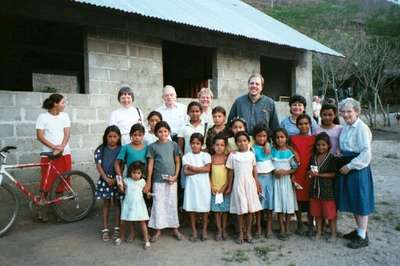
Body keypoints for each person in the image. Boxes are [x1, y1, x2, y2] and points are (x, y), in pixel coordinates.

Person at [336, 98, 374, 249]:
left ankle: (363, 236)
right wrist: (340, 152)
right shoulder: (346, 127)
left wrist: (350, 166)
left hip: (357, 167)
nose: (345, 115)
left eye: (349, 111)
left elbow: (366, 153)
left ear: (357, 112)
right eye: (343, 112)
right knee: (353, 200)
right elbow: (344, 145)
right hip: (346, 164)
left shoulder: (362, 128)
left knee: (360, 200)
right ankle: (359, 231)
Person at [145, 121, 185, 242]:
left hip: (172, 180)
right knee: (158, 204)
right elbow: (151, 165)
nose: (163, 134)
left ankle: (175, 228)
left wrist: (175, 176)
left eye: (165, 131)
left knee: (172, 203)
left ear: (169, 132)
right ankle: (158, 230)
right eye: (160, 131)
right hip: (158, 180)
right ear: (156, 133)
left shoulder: (173, 145)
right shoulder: (152, 146)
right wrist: (149, 181)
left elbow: (178, 161)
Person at [35, 93, 72, 222]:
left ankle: (58, 212)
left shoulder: (65, 116)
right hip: (49, 154)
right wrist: (53, 147)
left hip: (64, 153)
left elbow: (67, 133)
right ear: (55, 104)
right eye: (63, 102)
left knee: (62, 181)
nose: (64, 104)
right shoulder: (43, 117)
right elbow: (39, 136)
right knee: (46, 182)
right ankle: (41, 210)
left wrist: (61, 147)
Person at [226, 131, 262, 244]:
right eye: (239, 141)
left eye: (244, 141)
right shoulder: (233, 155)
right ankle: (241, 233)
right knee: (241, 210)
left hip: (250, 184)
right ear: (236, 143)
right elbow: (230, 173)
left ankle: (248, 233)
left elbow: (254, 170)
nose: (242, 143)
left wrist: (257, 184)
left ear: (248, 142)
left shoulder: (251, 154)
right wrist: (229, 186)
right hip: (238, 184)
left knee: (250, 210)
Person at [94, 125, 123, 242]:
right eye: (109, 136)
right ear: (105, 137)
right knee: (106, 204)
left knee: (117, 204)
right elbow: (98, 165)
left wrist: (117, 179)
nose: (112, 139)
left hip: (117, 180)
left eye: (115, 136)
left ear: (119, 137)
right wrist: (106, 179)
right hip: (105, 180)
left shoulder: (122, 149)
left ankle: (117, 228)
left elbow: (122, 165)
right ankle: (105, 228)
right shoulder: (100, 149)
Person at [308, 132, 338, 242]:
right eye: (318, 145)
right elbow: (309, 170)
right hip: (315, 190)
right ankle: (319, 232)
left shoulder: (331, 158)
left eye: (323, 145)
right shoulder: (313, 157)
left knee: (330, 214)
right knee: (317, 214)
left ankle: (333, 234)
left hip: (327, 191)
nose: (321, 147)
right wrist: (310, 173)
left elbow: (334, 174)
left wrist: (319, 175)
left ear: (328, 145)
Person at [182, 133, 212, 241]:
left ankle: (204, 231)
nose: (195, 145)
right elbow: (186, 172)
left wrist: (192, 168)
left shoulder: (206, 156)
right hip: (191, 186)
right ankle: (194, 231)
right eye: (193, 143)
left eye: (198, 143)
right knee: (192, 208)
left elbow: (207, 169)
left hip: (204, 186)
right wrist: (200, 170)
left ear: (202, 144)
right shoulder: (186, 156)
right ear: (190, 144)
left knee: (204, 209)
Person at [115, 161, 150, 249]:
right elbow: (123, 190)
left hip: (139, 205)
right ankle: (121, 237)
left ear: (142, 174)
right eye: (134, 173)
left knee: (142, 222)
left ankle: (146, 240)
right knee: (123, 222)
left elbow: (145, 192)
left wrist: (148, 194)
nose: (136, 175)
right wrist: (121, 187)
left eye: (138, 173)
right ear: (130, 172)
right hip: (128, 204)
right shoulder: (127, 181)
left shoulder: (142, 181)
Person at [290, 114, 315, 237]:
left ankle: (311, 224)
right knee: (298, 198)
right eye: (301, 124)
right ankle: (299, 223)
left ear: (310, 124)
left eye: (306, 123)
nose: (304, 126)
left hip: (309, 172)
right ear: (297, 125)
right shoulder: (293, 138)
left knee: (310, 199)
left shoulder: (314, 138)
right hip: (297, 172)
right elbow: (287, 148)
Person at [271, 128, 298, 241]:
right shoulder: (272, 151)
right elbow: (268, 164)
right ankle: (281, 228)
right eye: (277, 137)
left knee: (287, 205)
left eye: (282, 137)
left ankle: (287, 228)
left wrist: (285, 172)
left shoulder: (289, 153)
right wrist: (274, 171)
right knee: (279, 205)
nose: (280, 139)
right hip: (276, 182)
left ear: (286, 138)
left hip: (286, 182)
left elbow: (295, 167)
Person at [252, 124, 275, 239]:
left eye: (264, 136)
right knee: (258, 205)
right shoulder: (252, 149)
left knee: (269, 205)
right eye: (259, 136)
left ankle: (269, 228)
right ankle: (258, 228)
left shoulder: (270, 146)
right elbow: (253, 166)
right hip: (259, 179)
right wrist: (256, 181)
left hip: (269, 179)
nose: (262, 138)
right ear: (255, 137)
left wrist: (268, 144)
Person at [210, 135, 230, 241]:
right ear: (213, 146)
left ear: (225, 146)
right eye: (217, 145)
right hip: (214, 189)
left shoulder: (227, 158)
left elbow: (230, 175)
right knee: (217, 211)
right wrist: (211, 186)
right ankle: (219, 230)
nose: (219, 147)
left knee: (224, 211)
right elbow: (208, 174)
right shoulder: (211, 158)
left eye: (222, 145)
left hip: (224, 189)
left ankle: (224, 229)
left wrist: (225, 186)